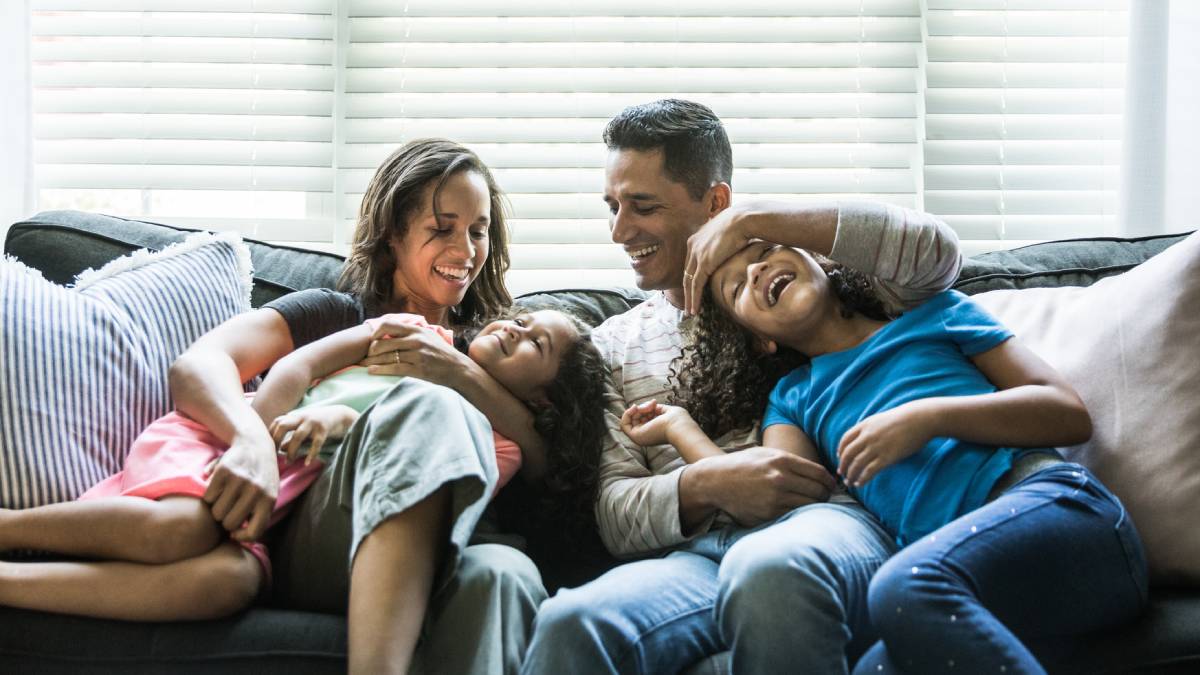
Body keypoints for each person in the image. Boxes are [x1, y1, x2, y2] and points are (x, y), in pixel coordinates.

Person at [521, 99, 964, 674]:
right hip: (697, 560)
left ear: (715, 202)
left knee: (770, 571)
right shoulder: (610, 348)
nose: (619, 231)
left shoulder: (790, 288)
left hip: (820, 526)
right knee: (570, 623)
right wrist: (709, 482)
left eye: (642, 206)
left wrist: (753, 224)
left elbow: (936, 254)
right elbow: (614, 511)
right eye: (612, 206)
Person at [624, 240, 1149, 674]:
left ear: (820, 261)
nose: (757, 270)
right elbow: (772, 493)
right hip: (978, 585)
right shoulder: (793, 397)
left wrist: (928, 417)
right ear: (759, 340)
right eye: (738, 287)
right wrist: (679, 428)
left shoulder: (931, 315)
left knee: (903, 586)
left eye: (764, 250)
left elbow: (1066, 413)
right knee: (876, 665)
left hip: (1060, 516)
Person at [163, 138, 548, 675]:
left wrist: (459, 373)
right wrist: (251, 439)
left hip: (457, 539)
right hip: (318, 532)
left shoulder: (500, 350)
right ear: (393, 234)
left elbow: (549, 462)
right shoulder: (337, 316)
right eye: (442, 228)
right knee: (431, 408)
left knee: (505, 573)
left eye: (477, 231)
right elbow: (198, 365)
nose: (466, 251)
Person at [0, 308, 603, 644]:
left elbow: (426, 487)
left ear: (544, 404)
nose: (515, 328)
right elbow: (295, 366)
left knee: (226, 584)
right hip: (226, 453)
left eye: (535, 344)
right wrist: (255, 437)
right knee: (184, 528)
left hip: (276, 514)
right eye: (521, 318)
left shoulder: (498, 445)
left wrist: (346, 421)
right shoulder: (411, 330)